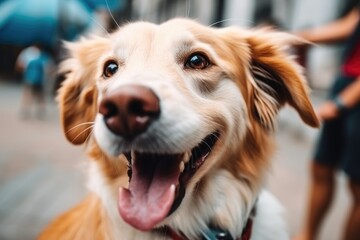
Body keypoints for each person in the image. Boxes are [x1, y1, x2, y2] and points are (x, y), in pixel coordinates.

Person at [293, 3, 360, 240]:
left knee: (357, 185)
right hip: (346, 80)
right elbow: (352, 23)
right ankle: (307, 235)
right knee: (321, 165)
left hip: (354, 92)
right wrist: (299, 38)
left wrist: (343, 102)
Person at [16, 45, 51, 119]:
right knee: (40, 96)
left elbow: (20, 65)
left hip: (30, 78)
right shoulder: (43, 57)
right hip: (39, 80)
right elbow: (48, 68)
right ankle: (40, 112)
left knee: (28, 95)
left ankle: (25, 111)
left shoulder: (29, 55)